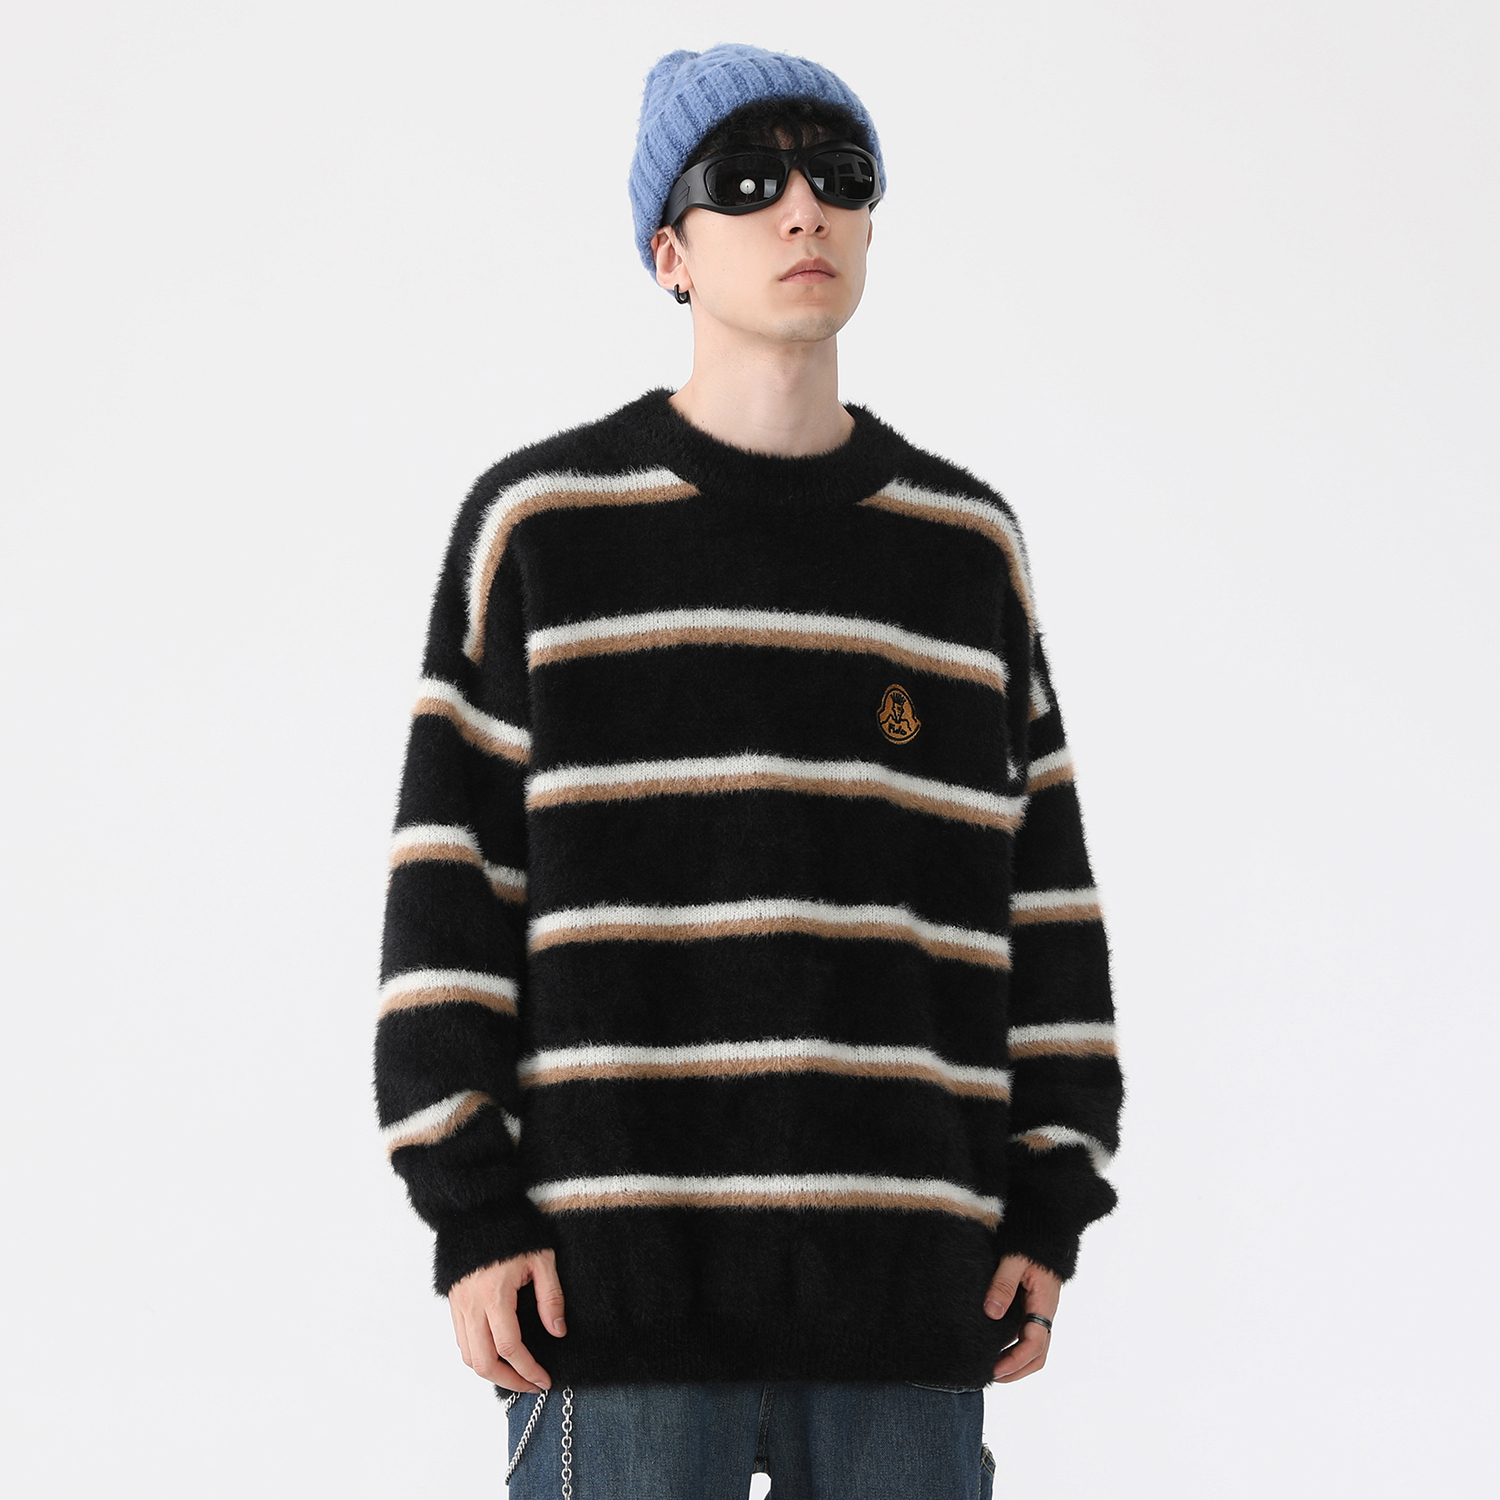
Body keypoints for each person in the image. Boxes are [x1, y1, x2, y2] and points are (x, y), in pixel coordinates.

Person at [374, 41, 1123, 1500]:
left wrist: (1051, 1196)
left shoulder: (962, 548)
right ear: (669, 250)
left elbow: (1045, 898)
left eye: (839, 177)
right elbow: (448, 892)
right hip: (612, 1301)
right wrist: (471, 1210)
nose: (802, 211)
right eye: (746, 182)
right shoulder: (544, 529)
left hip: (911, 1296)